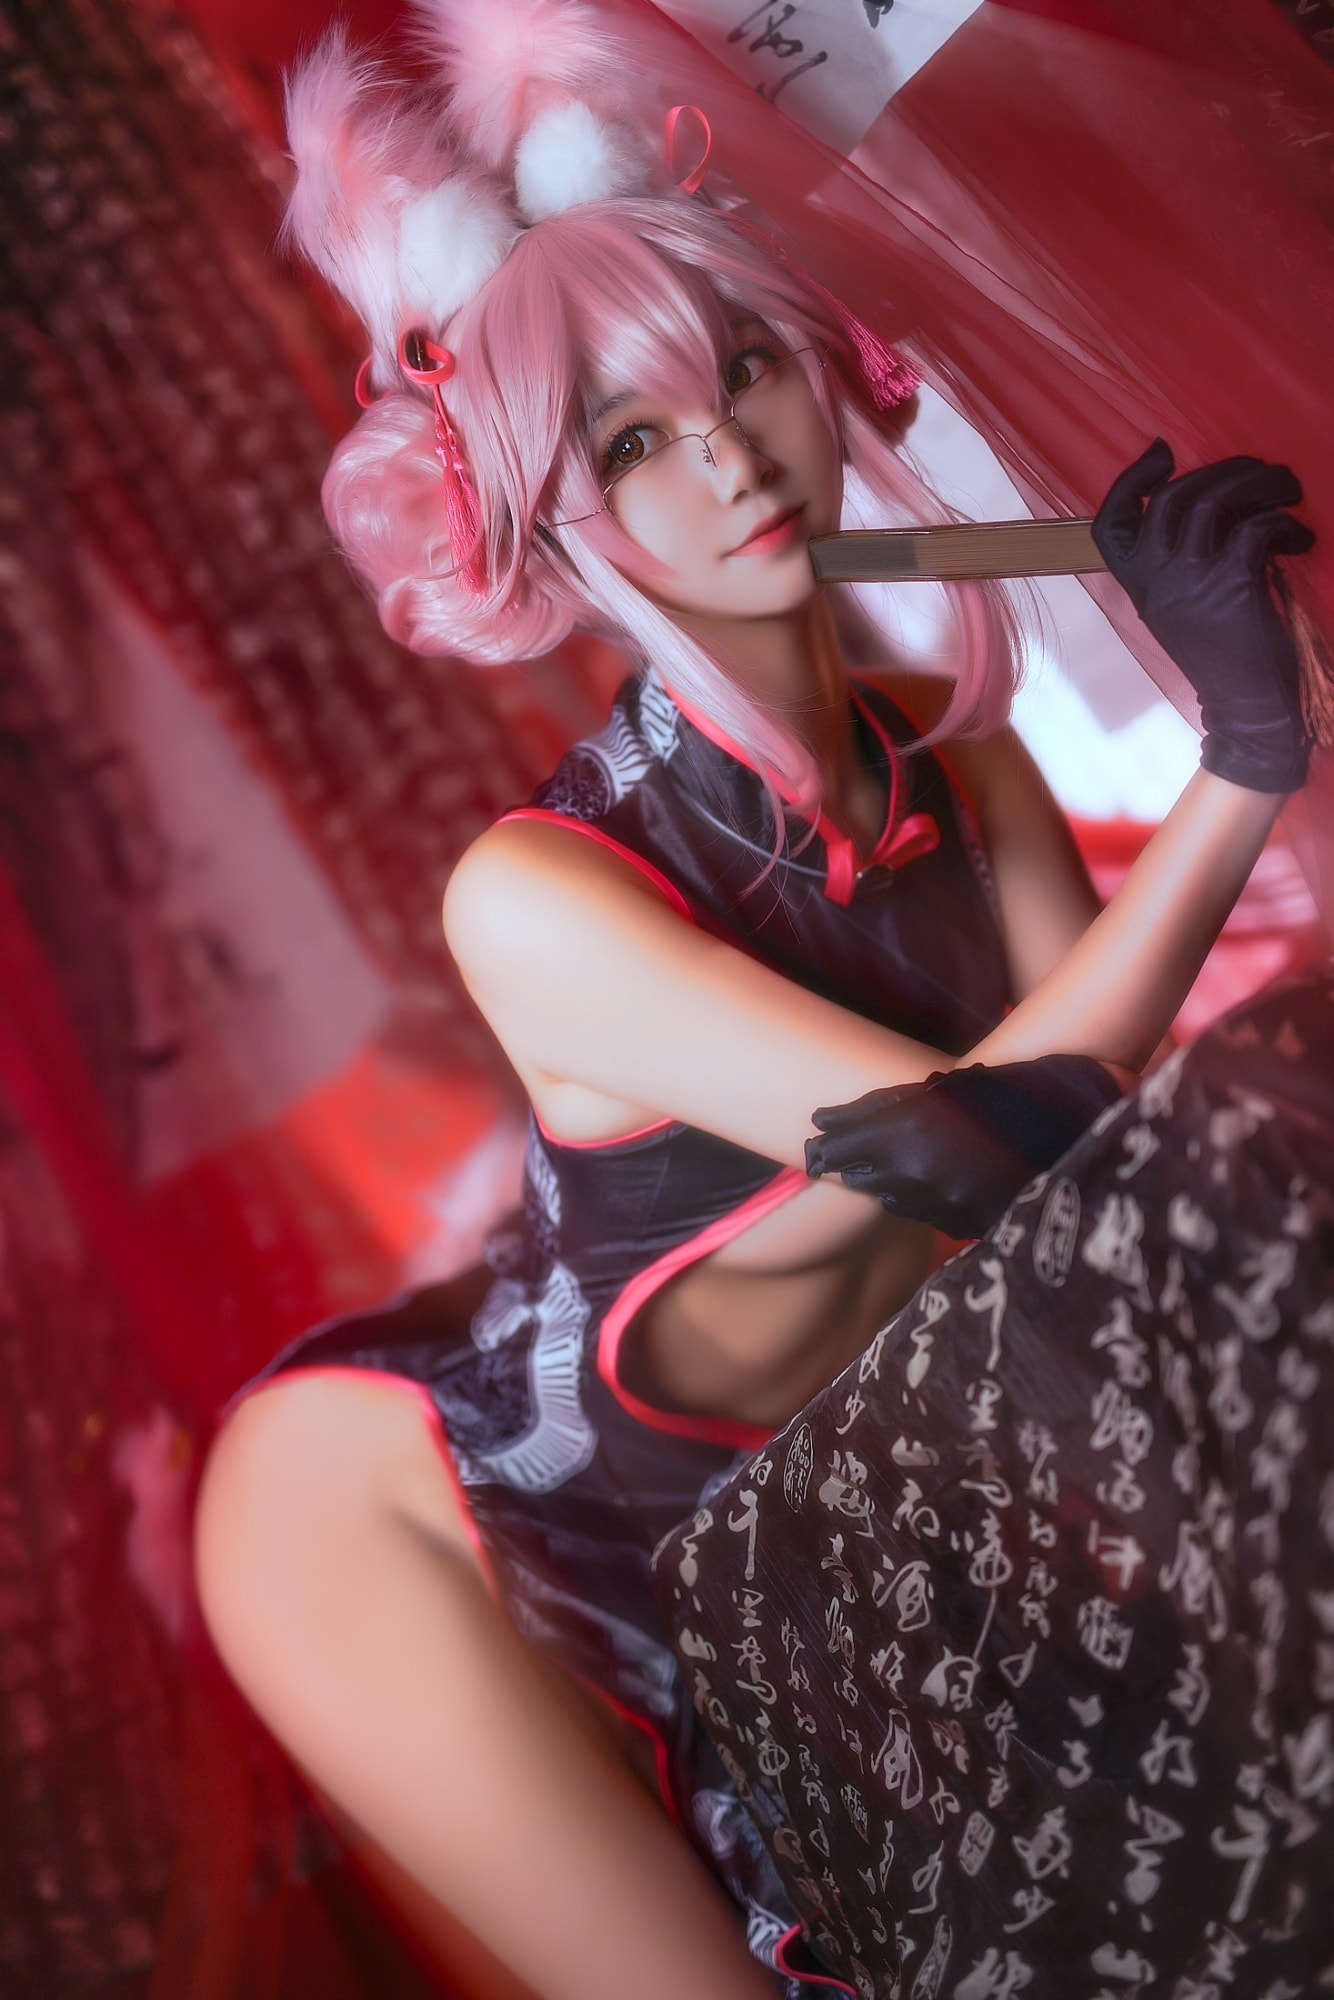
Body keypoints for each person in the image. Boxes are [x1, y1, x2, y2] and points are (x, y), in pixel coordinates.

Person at [192, 8, 1317, 1996]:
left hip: (833, 1512)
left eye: (741, 368)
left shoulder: (966, 769)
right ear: (542, 513)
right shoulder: (536, 893)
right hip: (425, 1517)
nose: (722, 455)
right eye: (628, 438)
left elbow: (1101, 1192)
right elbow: (987, 1140)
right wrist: (1240, 755)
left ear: (822, 364)